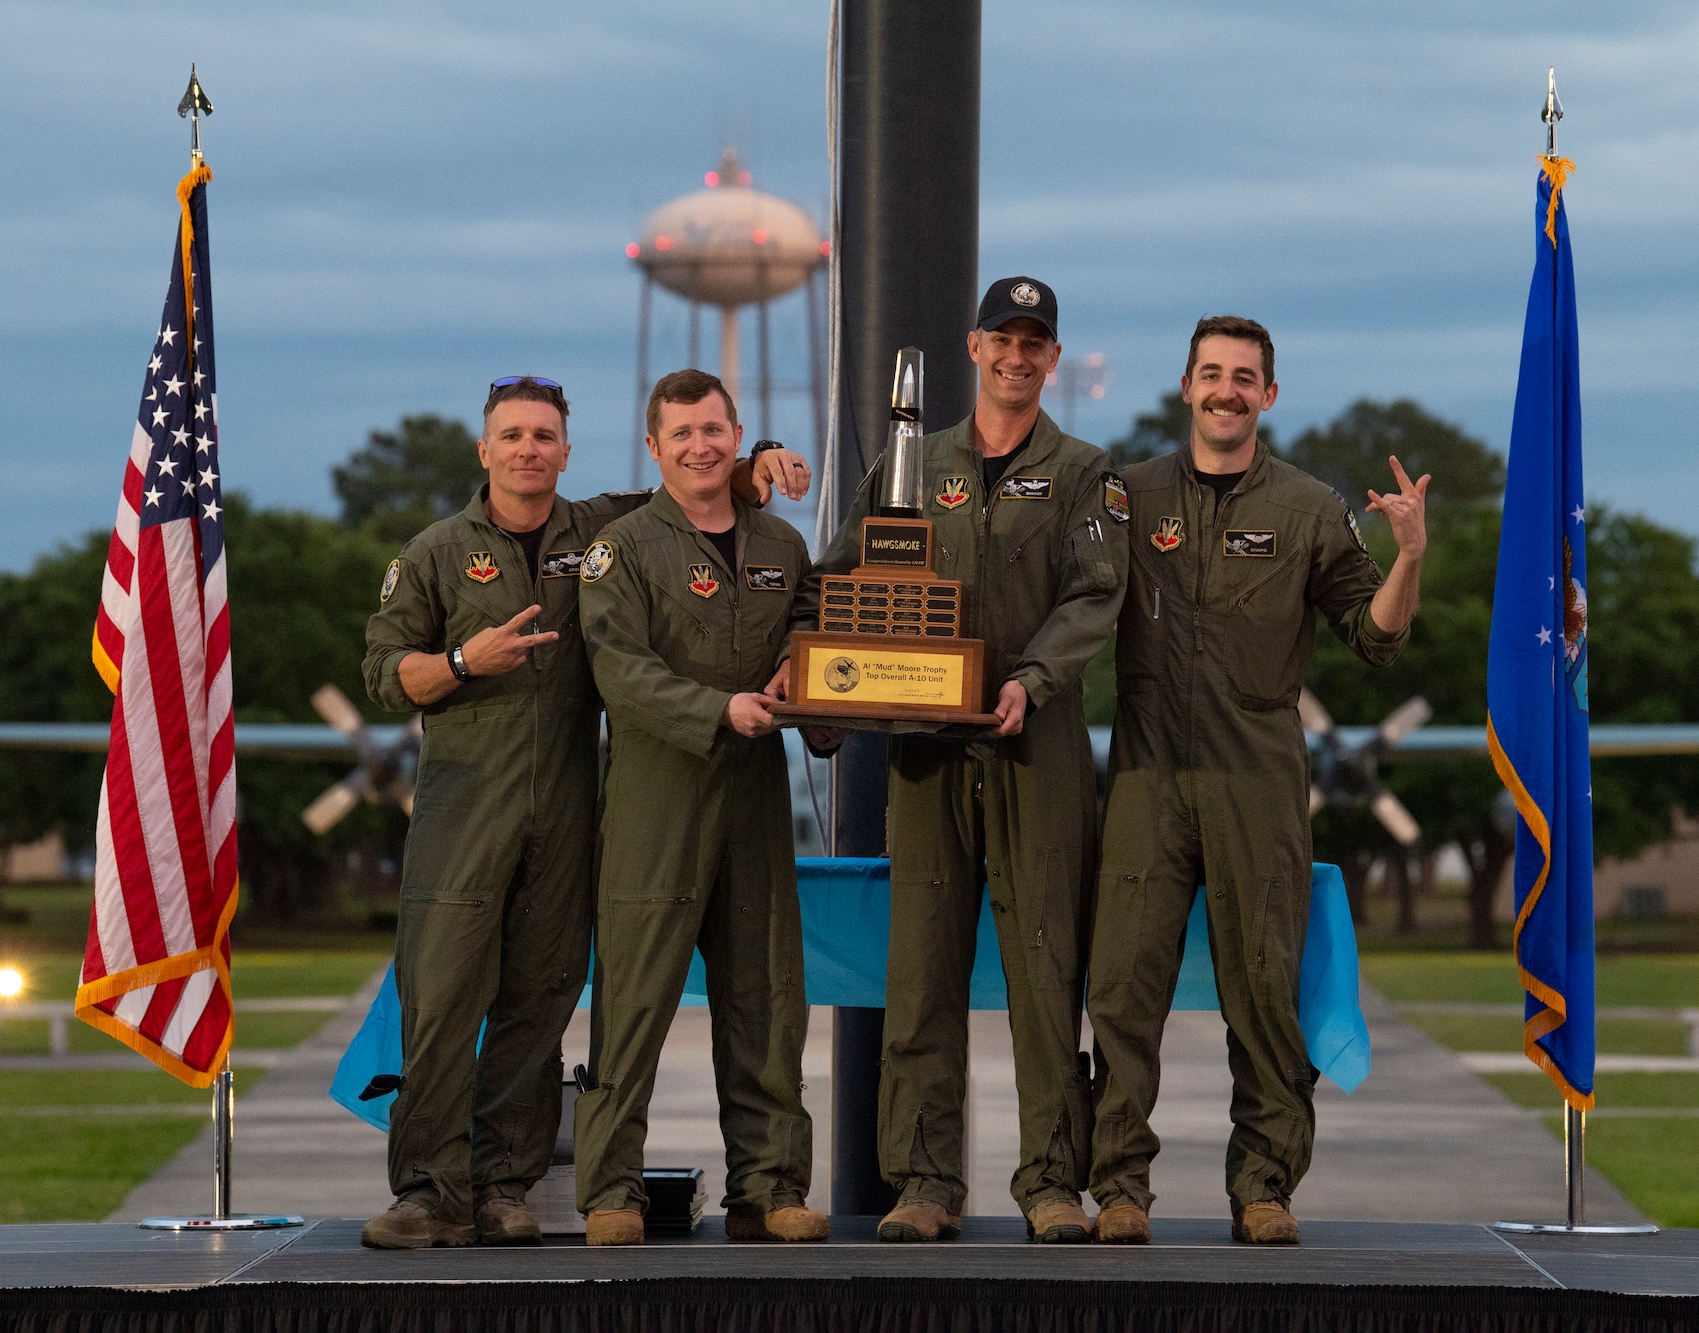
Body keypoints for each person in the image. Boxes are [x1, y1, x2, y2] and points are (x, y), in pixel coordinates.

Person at [359, 375, 809, 1250]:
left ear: (566, 452)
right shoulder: (435, 553)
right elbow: (384, 673)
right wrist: (462, 659)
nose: (529, 449)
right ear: (484, 450)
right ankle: (427, 1191)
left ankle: (500, 1184)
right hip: (465, 806)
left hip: (568, 808)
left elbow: (690, 490)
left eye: (545, 436)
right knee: (444, 999)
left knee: (540, 999)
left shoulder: (596, 530)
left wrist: (757, 464)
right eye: (513, 435)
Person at [1085, 316, 1427, 1246]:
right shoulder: (1126, 493)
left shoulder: (1311, 508)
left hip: (1259, 780)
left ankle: (1264, 1186)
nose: (1228, 390)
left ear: (1268, 395)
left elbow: (1376, 635)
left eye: (1245, 377)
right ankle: (1118, 1185)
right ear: (1187, 387)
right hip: (1148, 778)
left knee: (1264, 989)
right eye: (1212, 374)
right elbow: (1057, 587)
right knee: (1121, 989)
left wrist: (1410, 556)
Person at [819, 278, 1127, 1244]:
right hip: (924, 755)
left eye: (1036, 342)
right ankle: (924, 1180)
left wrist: (1029, 682)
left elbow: (1096, 594)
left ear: (1052, 358)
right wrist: (830, 687)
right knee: (921, 969)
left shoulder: (1083, 470)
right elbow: (844, 573)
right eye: (1004, 338)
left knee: (1046, 970)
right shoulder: (911, 462)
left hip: (1036, 748)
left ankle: (1049, 1183)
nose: (1018, 355)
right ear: (974, 345)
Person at [574, 368, 827, 1246]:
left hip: (754, 799)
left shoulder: (781, 547)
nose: (699, 446)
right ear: (654, 447)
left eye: (714, 429)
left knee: (766, 997)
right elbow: (619, 671)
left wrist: (815, 693)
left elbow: (816, 646)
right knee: (636, 999)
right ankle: (611, 1187)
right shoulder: (625, 547)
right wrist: (717, 709)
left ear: (738, 434)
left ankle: (769, 1186)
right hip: (657, 796)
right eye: (681, 433)